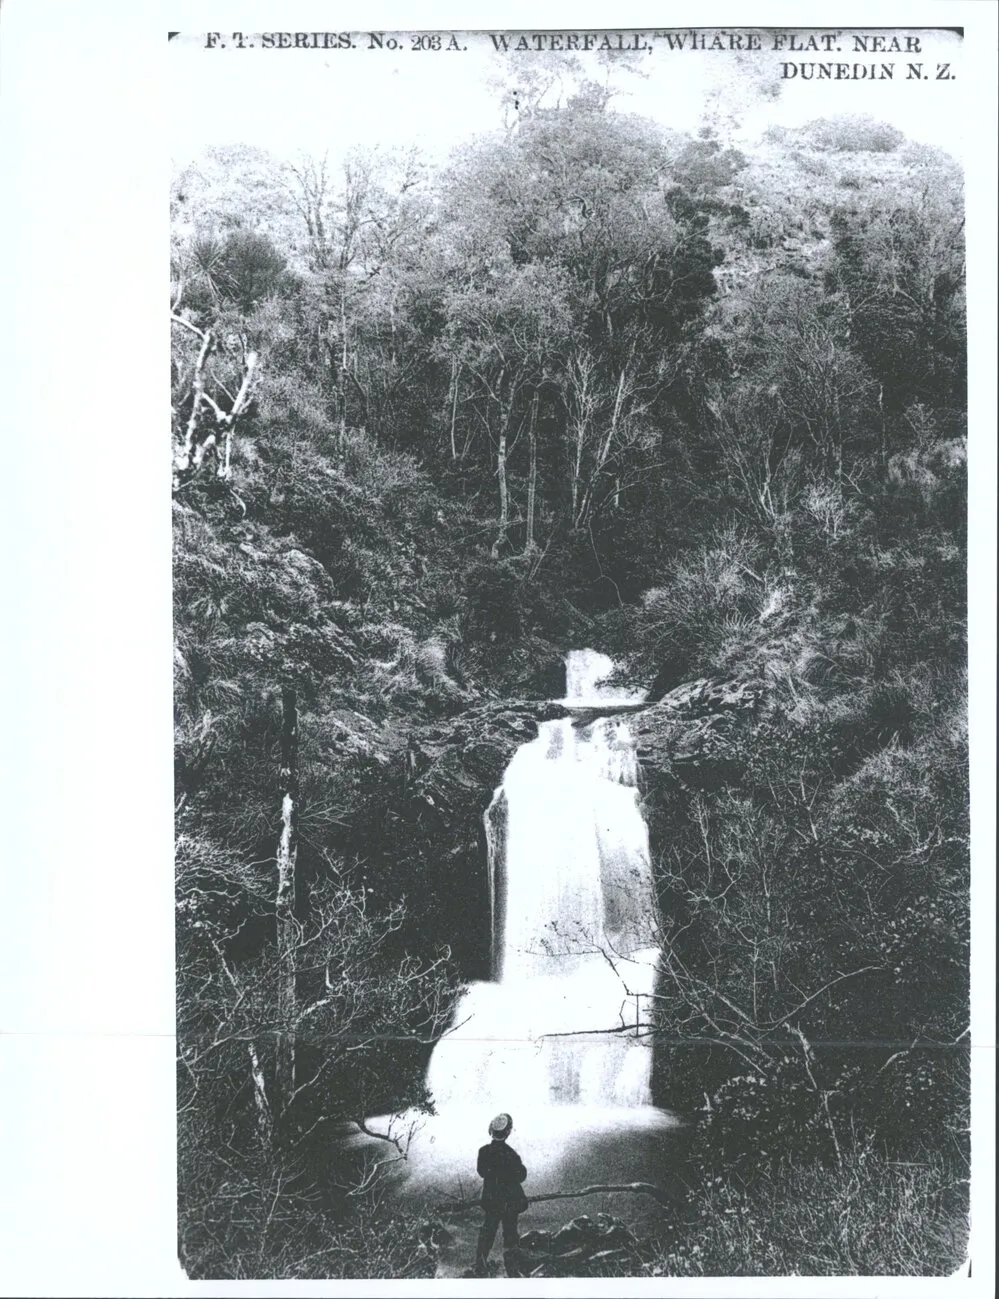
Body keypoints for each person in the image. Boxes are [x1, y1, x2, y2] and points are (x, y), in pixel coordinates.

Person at [474, 1112, 529, 1277]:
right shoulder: (511, 1155)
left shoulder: (483, 1151)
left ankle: (480, 1265)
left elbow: (482, 1172)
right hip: (510, 1202)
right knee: (510, 1233)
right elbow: (521, 1175)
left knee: (488, 1231)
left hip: (492, 1201)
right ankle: (512, 1270)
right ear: (508, 1132)